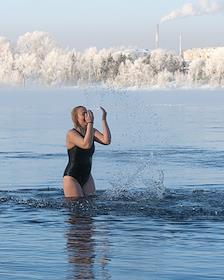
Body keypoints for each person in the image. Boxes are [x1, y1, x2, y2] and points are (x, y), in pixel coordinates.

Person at [63, 106, 111, 198]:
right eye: (83, 114)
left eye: (87, 112)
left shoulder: (91, 131)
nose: (87, 115)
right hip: (72, 177)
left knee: (90, 203)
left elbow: (106, 141)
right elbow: (86, 145)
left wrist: (103, 119)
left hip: (87, 176)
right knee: (76, 206)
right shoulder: (71, 133)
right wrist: (90, 123)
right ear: (76, 118)